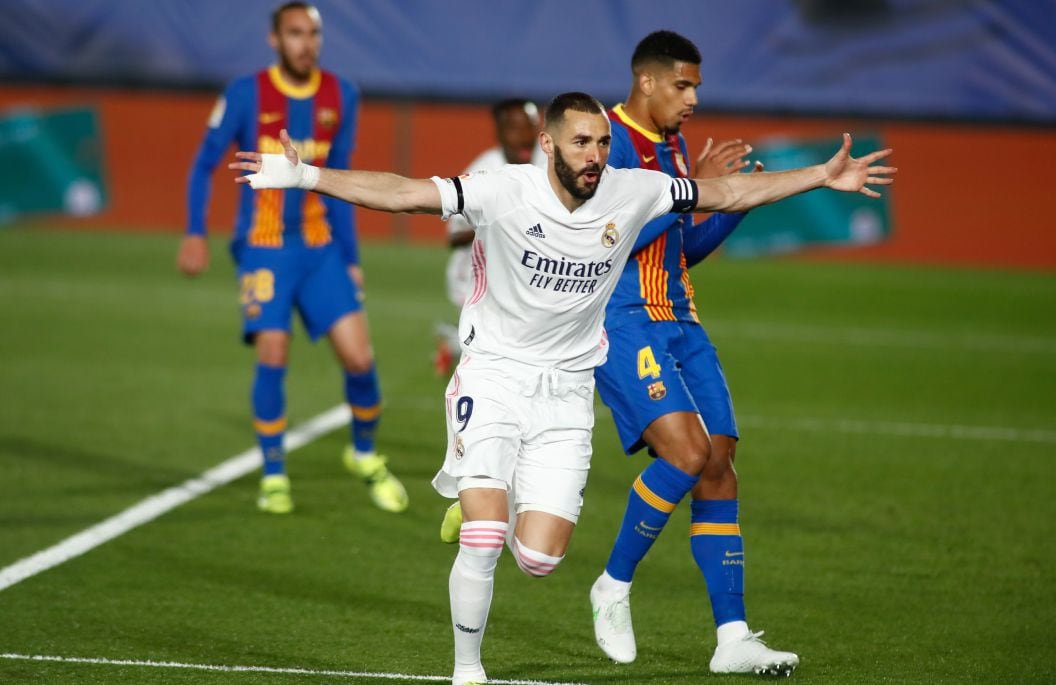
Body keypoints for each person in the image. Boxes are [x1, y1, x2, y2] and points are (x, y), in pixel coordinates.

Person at [228, 92, 895, 684]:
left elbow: (727, 194)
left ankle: (484, 493)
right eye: (580, 141)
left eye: (603, 142)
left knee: (540, 559)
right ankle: (468, 669)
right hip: (493, 375)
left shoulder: (633, 191)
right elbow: (402, 191)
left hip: (567, 393)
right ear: (548, 143)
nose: (594, 154)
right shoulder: (503, 189)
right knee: (486, 538)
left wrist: (819, 176)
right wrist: (306, 175)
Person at [586, 30, 804, 676]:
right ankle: (613, 584)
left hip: (681, 315)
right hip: (624, 320)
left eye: (697, 88)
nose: (692, 99)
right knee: (686, 453)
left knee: (719, 463)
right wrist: (692, 188)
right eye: (682, 85)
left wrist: (725, 202)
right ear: (647, 81)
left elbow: (683, 246)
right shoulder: (607, 140)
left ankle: (732, 636)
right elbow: (598, 243)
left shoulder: (674, 144)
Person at [175, 1, 408, 515]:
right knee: (273, 354)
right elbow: (203, 164)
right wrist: (194, 232)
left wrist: (350, 258)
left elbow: (341, 179)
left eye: (314, 34)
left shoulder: (341, 94)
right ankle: (275, 472)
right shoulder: (245, 93)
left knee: (361, 358)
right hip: (263, 247)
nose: (307, 43)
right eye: (296, 33)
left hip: (321, 247)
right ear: (274, 39)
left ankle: (363, 452)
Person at [435, 98, 545, 375]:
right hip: (476, 274)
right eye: (514, 128)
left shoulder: (548, 164)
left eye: (530, 126)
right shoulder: (483, 170)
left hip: (522, 269)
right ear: (499, 132)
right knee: (499, 348)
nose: (524, 135)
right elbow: (454, 236)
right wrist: (501, 222)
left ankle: (455, 342)